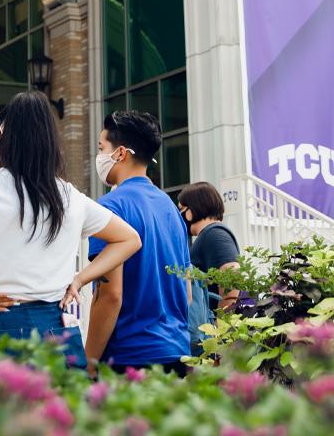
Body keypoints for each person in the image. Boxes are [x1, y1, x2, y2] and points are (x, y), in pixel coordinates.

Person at [0, 92, 143, 369]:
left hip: (1, 323)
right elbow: (129, 239)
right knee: (62, 411)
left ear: (4, 135)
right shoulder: (68, 195)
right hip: (60, 327)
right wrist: (79, 280)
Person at [88, 110, 192, 376]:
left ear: (121, 153)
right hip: (177, 351)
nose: (98, 156)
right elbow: (187, 290)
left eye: (101, 148)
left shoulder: (110, 207)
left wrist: (88, 362)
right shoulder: (170, 206)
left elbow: (110, 295)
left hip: (130, 358)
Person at [177, 181, 242, 353]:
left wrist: (220, 330)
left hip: (211, 338)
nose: (180, 215)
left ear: (191, 210)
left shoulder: (215, 234)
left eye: (181, 209)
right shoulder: (208, 235)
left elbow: (232, 274)